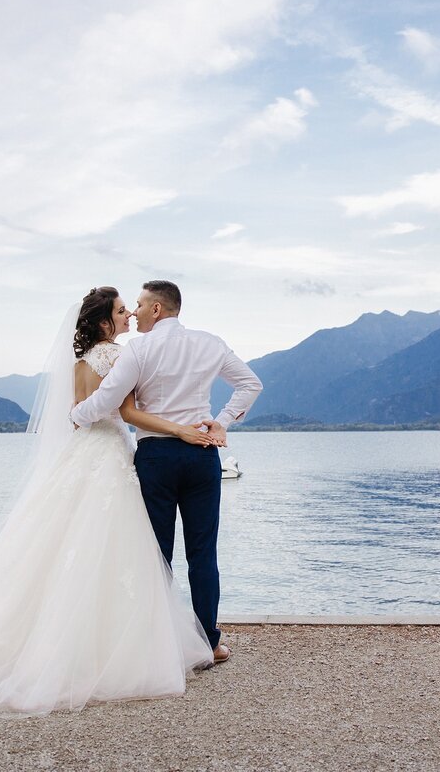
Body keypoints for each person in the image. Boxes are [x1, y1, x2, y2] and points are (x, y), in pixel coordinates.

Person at [0, 286, 216, 716]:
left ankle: (52, 633)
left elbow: (77, 411)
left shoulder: (78, 363)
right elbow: (124, 412)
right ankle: (119, 642)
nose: (129, 316)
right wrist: (181, 428)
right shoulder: (120, 357)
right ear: (105, 322)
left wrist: (83, 417)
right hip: (110, 453)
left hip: (83, 452)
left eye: (131, 308)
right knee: (116, 545)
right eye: (122, 311)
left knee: (66, 540)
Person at [70, 280, 262, 664]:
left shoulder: (139, 348)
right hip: (202, 455)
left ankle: (156, 643)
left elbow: (109, 400)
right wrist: (221, 421)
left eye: (139, 305)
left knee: (156, 555)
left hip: (156, 458)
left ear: (156, 310)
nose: (135, 312)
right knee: (203, 554)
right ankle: (209, 643)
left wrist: (77, 415)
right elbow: (250, 384)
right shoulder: (210, 343)